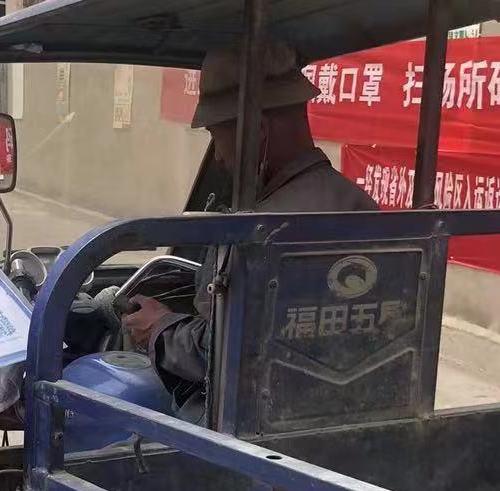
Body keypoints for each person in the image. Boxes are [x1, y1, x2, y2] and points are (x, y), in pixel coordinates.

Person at [122, 42, 376, 419]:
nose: (219, 156)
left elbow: (225, 354)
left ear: (257, 131)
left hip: (250, 426)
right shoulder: (360, 206)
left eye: (217, 136)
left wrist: (160, 329)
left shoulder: (260, 233)